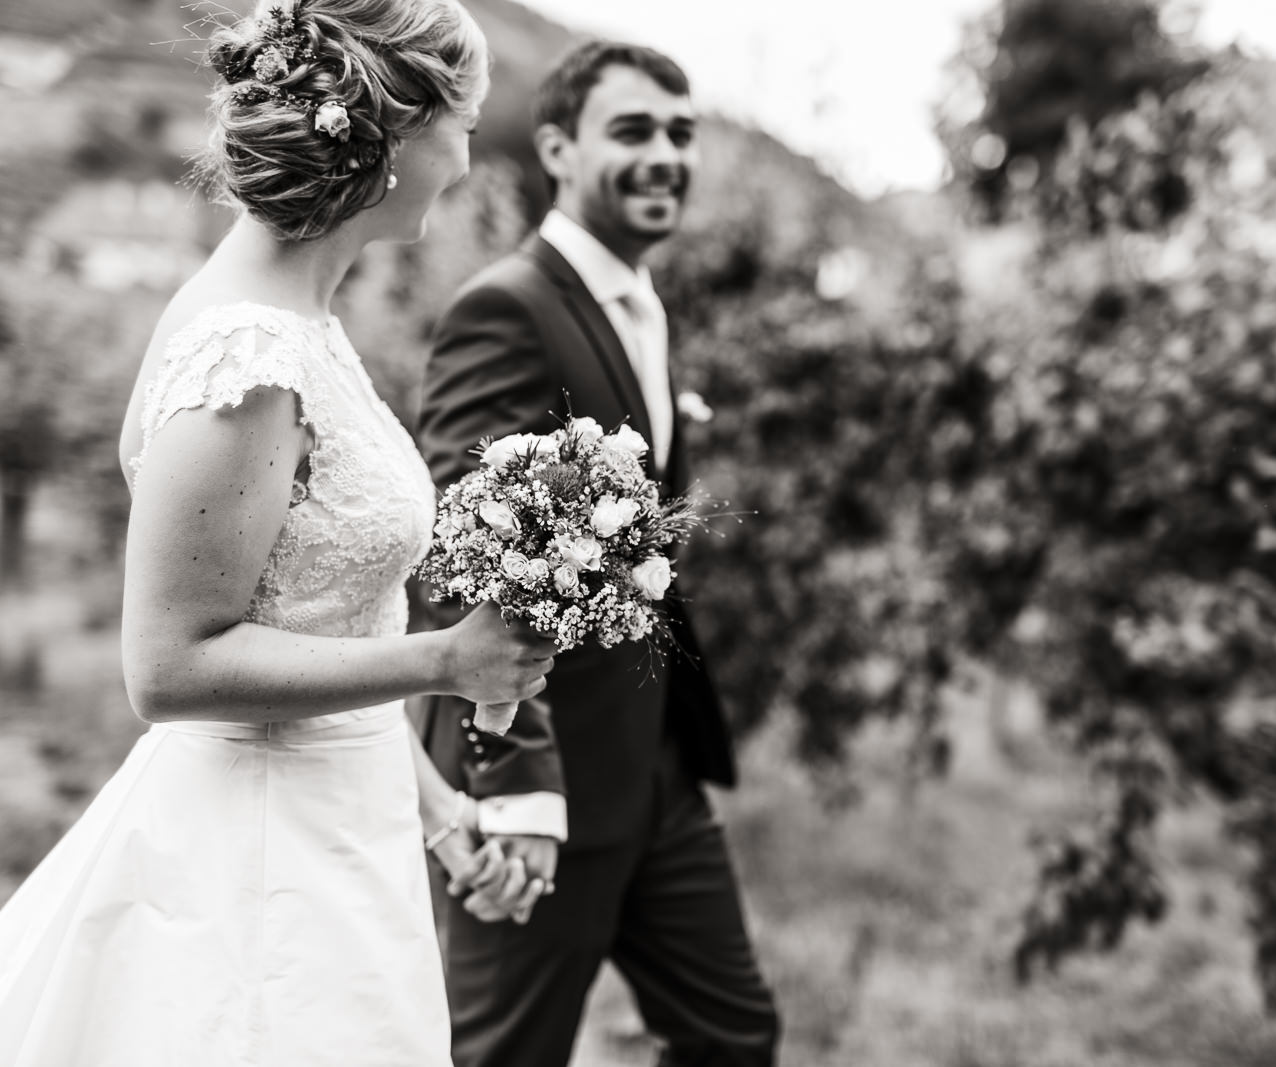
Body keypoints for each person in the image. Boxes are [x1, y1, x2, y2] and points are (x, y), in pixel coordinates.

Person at [0, 2, 555, 1064]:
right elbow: (167, 665)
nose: (471, 157)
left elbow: (316, 618)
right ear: (393, 134)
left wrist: (439, 812)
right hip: (253, 884)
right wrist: (446, 660)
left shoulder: (305, 326)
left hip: (345, 837)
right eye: (465, 124)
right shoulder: (246, 349)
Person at [413, 39, 782, 1067]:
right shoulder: (505, 307)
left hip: (656, 762)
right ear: (557, 149)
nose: (665, 154)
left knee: (732, 1033)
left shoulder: (642, 305)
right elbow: (464, 557)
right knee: (502, 1053)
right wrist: (520, 784)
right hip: (543, 771)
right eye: (632, 131)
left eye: (680, 132)